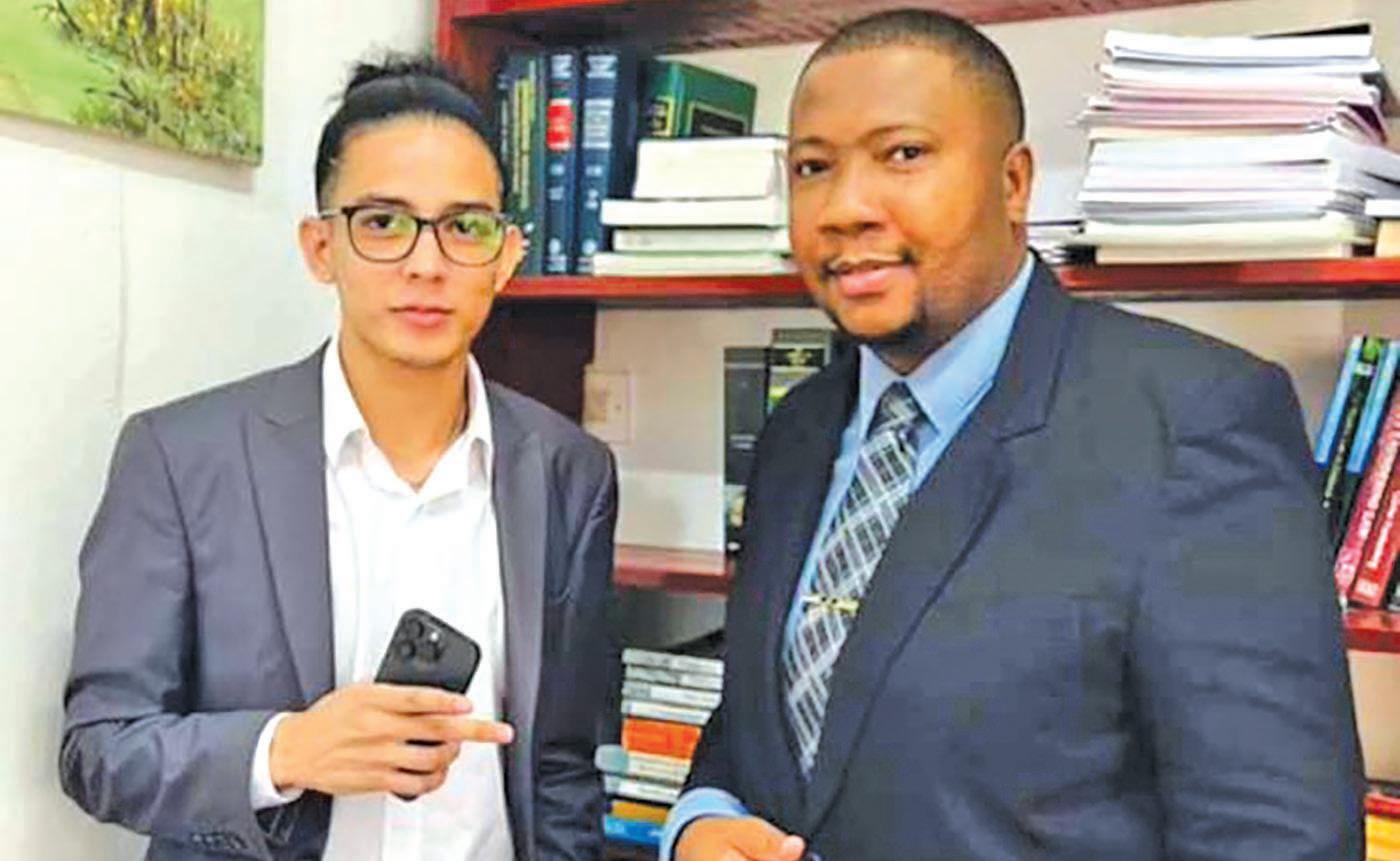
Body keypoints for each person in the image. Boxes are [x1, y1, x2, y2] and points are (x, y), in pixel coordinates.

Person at [665, 9, 1364, 860]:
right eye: (814, 167)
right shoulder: (796, 431)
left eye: (903, 154)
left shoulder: (1192, 423)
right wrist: (698, 818)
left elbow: (1277, 836)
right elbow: (767, 717)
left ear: (1014, 183)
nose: (845, 207)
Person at [60, 55, 617, 861]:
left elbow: (562, 765)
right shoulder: (182, 457)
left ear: (506, 256)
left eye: (465, 226)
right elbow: (99, 748)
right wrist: (286, 749)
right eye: (383, 222)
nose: (426, 263)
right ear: (321, 247)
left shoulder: (569, 471)